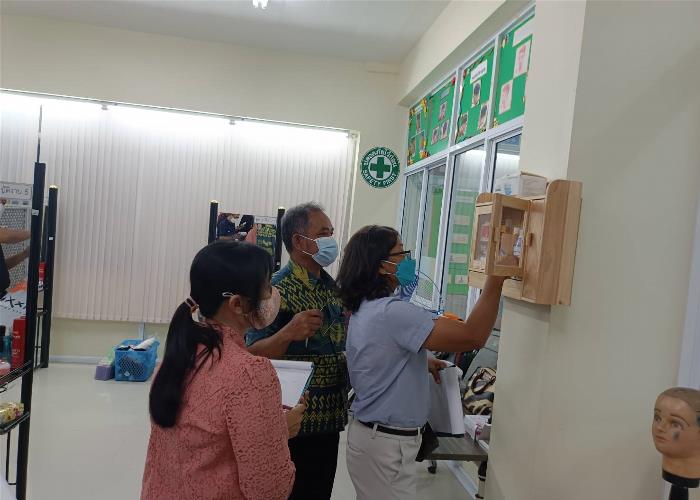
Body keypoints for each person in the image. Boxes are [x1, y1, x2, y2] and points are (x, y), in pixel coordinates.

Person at [336, 225, 512, 500]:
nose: (409, 260)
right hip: (386, 446)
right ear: (382, 265)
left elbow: (377, 353)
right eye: (401, 253)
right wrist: (496, 279)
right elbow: (473, 336)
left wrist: (422, 359)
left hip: (374, 440)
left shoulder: (368, 307)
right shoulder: (393, 312)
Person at [142, 241, 306, 500]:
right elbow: (270, 489)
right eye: (267, 286)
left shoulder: (175, 361)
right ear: (238, 304)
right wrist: (278, 431)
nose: (273, 294)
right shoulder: (251, 372)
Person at [246, 202, 347, 500]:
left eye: (331, 233)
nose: (331, 240)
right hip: (292, 424)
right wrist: (288, 332)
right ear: (299, 241)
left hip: (329, 420)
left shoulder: (332, 289)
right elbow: (251, 354)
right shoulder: (274, 291)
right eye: (323, 233)